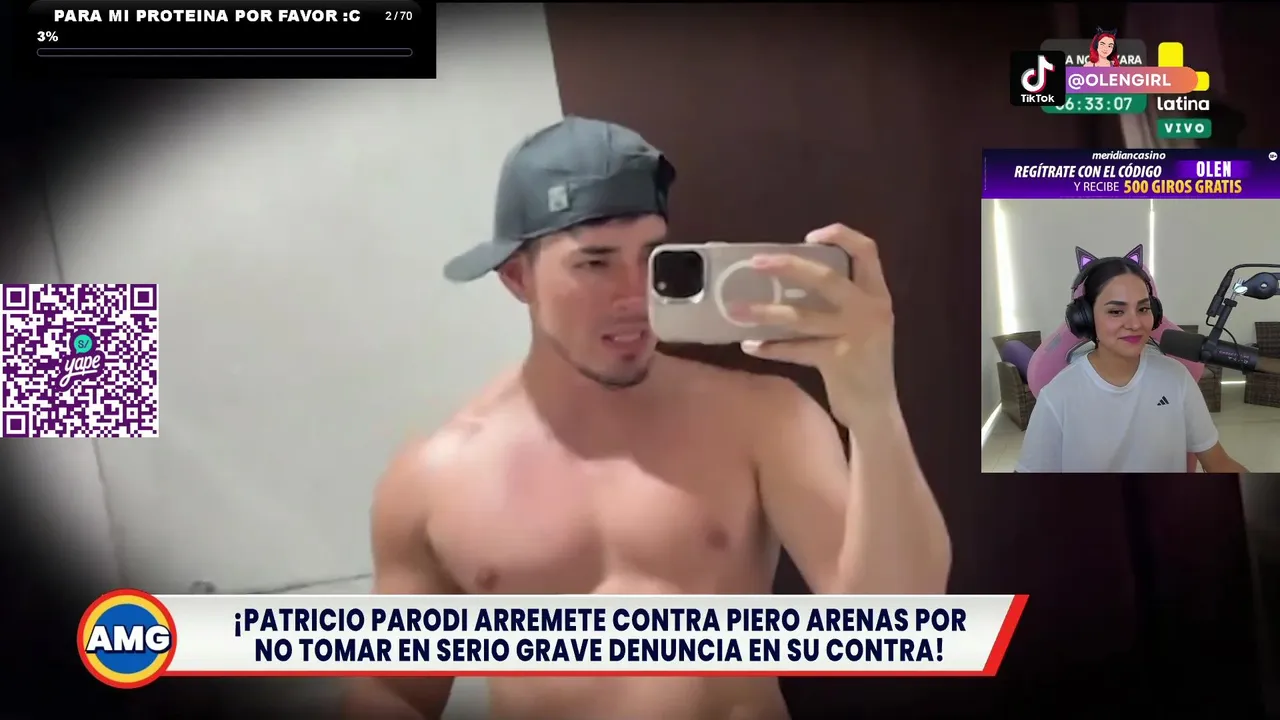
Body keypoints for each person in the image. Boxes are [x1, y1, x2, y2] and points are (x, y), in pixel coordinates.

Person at [346, 116, 951, 720]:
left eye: (652, 257)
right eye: (595, 262)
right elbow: (393, 689)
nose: (636, 296)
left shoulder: (761, 418)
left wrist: (872, 406)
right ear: (517, 277)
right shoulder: (434, 478)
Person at [1016, 256, 1247, 473]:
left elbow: (1219, 462)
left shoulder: (1177, 378)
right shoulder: (1057, 397)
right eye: (1116, 311)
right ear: (1086, 318)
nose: (1135, 324)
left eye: (1143, 309)